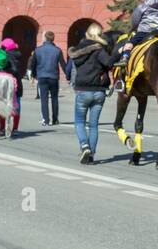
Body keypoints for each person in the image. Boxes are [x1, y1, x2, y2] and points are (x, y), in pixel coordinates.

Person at [70, 23, 116, 163]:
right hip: (99, 91)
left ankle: (85, 147)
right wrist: (118, 52)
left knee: (79, 122)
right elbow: (109, 63)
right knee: (94, 124)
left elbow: (73, 65)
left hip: (83, 91)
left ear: (87, 34)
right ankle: (91, 154)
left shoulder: (77, 50)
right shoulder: (100, 50)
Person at [31, 31, 66, 125]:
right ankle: (55, 119)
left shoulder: (38, 50)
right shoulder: (57, 50)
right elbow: (63, 64)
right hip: (54, 77)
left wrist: (33, 75)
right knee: (54, 98)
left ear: (45, 38)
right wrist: (68, 75)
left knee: (44, 99)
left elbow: (33, 64)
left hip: (42, 77)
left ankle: (46, 120)